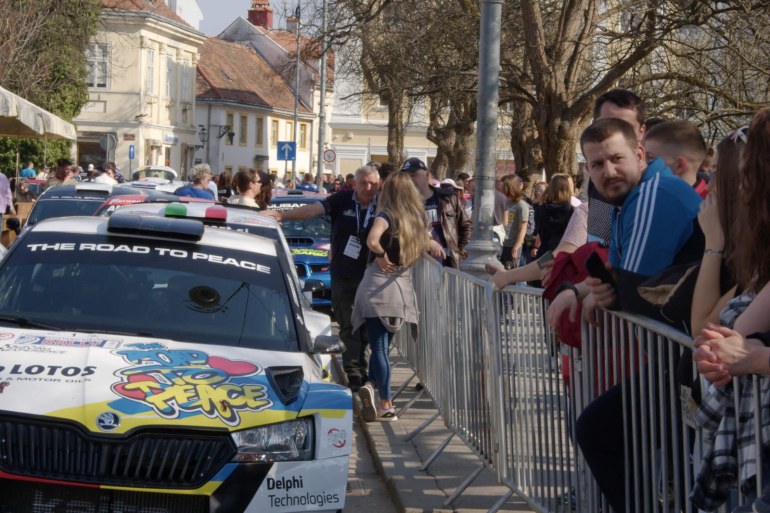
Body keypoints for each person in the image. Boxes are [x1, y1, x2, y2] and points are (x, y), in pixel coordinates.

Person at [567, 118, 702, 513]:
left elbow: (636, 290)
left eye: (616, 159)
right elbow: (597, 255)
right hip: (667, 357)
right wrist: (593, 288)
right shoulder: (611, 197)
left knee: (599, 431)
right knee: (606, 435)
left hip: (690, 358)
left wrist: (606, 291)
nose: (608, 171)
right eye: (596, 164)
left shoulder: (653, 194)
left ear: (641, 151)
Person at [263, 165, 380, 390]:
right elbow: (313, 211)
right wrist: (283, 215)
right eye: (364, 183)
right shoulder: (343, 199)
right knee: (348, 325)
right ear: (354, 184)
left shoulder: (383, 202)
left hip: (373, 276)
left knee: (368, 327)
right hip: (344, 275)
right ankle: (354, 374)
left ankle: (367, 371)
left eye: (373, 184)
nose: (368, 188)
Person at [353, 172, 428, 421]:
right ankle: (372, 385)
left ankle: (385, 403)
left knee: (378, 347)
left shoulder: (385, 215)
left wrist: (381, 254)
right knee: (384, 347)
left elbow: (372, 240)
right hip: (401, 289)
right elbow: (427, 244)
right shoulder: (417, 220)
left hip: (377, 286)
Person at [402, 157, 472, 269]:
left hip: (449, 262)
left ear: (426, 174)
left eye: (413, 175)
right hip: (419, 263)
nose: (410, 180)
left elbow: (467, 226)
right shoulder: (404, 203)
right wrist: (426, 242)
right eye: (406, 177)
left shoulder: (448, 197)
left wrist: (460, 253)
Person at [644, 120, 709, 198]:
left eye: (650, 158)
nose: (642, 164)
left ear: (679, 166)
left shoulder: (707, 204)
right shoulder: (650, 193)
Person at [532, 174, 574, 259]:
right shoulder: (571, 210)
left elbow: (539, 232)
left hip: (544, 253)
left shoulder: (540, 209)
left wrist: (535, 247)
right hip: (564, 254)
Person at [498, 175, 529, 269]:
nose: (500, 188)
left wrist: (517, 245)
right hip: (499, 243)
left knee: (509, 271)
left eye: (503, 186)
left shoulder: (521, 205)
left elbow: (523, 228)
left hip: (511, 245)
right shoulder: (502, 202)